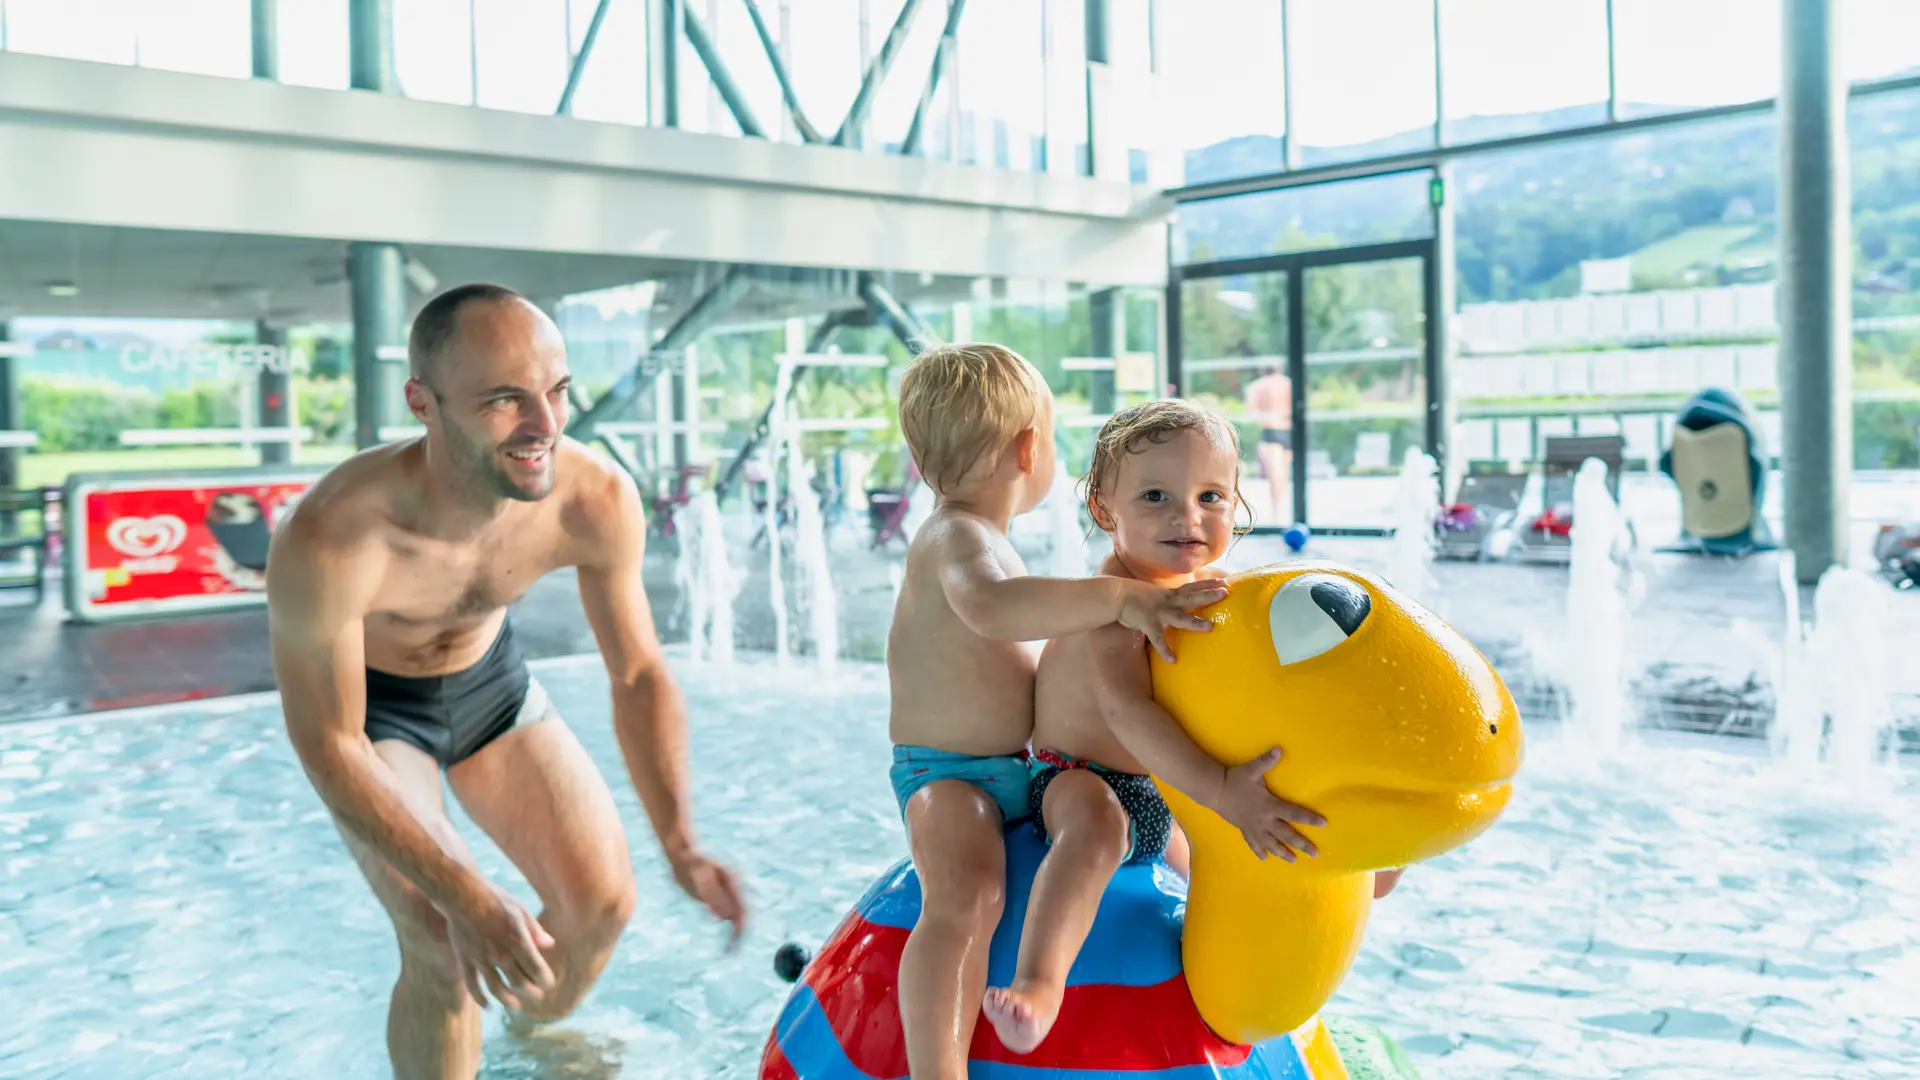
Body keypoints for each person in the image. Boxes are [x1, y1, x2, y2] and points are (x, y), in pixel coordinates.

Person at [265, 283, 746, 1080]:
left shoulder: (591, 497)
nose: (545, 426)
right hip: (375, 719)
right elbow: (329, 742)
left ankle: (526, 1044)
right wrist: (468, 897)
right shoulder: (336, 535)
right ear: (423, 402)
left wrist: (682, 843)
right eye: (504, 401)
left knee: (601, 906)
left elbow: (636, 673)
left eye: (557, 392)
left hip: (492, 687)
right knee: (441, 938)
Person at [888, 344, 1229, 1080]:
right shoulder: (955, 539)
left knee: (1196, 863)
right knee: (967, 894)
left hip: (1022, 771)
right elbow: (989, 609)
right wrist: (1119, 597)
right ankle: (935, 1071)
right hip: (950, 777)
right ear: (1030, 449)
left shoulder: (988, 541)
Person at [981, 399, 1333, 1054]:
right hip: (1076, 776)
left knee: (1224, 874)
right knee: (1095, 833)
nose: (1188, 516)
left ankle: (1305, 942)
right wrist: (1223, 789)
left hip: (1162, 790)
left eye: (1210, 496)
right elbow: (1128, 712)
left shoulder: (1204, 586)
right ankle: (1038, 985)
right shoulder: (1116, 595)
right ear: (1104, 509)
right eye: (1155, 495)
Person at [1245, 359, 1294, 525]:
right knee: (1283, 473)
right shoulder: (1289, 384)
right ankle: (1282, 509)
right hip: (1289, 429)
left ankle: (1276, 510)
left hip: (1270, 431)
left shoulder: (1258, 386)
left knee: (1275, 474)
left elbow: (1251, 412)